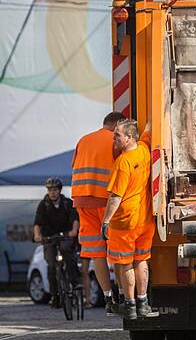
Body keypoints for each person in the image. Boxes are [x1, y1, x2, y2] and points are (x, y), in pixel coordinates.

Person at [101, 119, 157, 320]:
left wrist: (106, 221)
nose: (114, 138)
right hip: (144, 221)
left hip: (124, 222)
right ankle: (143, 303)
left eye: (117, 135)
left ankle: (130, 305)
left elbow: (115, 197)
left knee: (125, 264)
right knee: (141, 260)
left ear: (129, 137)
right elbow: (149, 129)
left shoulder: (122, 163)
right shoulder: (143, 150)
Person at [71, 111, 125, 312]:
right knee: (119, 250)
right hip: (106, 203)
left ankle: (107, 297)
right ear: (118, 125)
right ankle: (122, 293)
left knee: (97, 252)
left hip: (82, 202)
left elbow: (75, 166)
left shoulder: (83, 140)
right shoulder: (114, 141)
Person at [33, 177, 80, 309]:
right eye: (50, 190)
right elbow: (37, 223)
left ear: (59, 190)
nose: (52, 192)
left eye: (55, 190)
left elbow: (75, 219)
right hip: (49, 238)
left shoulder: (67, 203)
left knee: (67, 251)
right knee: (51, 264)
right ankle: (55, 294)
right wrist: (37, 235)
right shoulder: (44, 205)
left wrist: (74, 231)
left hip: (65, 236)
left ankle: (75, 282)